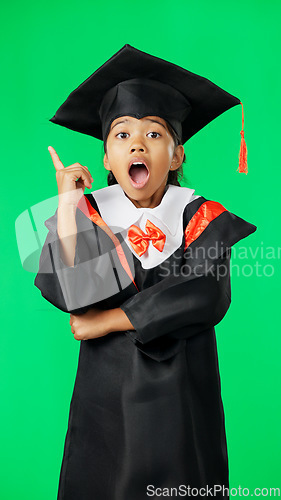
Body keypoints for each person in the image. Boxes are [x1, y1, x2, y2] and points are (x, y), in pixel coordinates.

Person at [34, 44, 257, 500]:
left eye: (155, 134)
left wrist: (109, 321)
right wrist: (66, 204)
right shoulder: (90, 214)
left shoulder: (202, 216)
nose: (137, 144)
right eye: (122, 135)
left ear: (175, 157)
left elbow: (206, 293)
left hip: (182, 394)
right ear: (106, 160)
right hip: (107, 394)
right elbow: (75, 293)